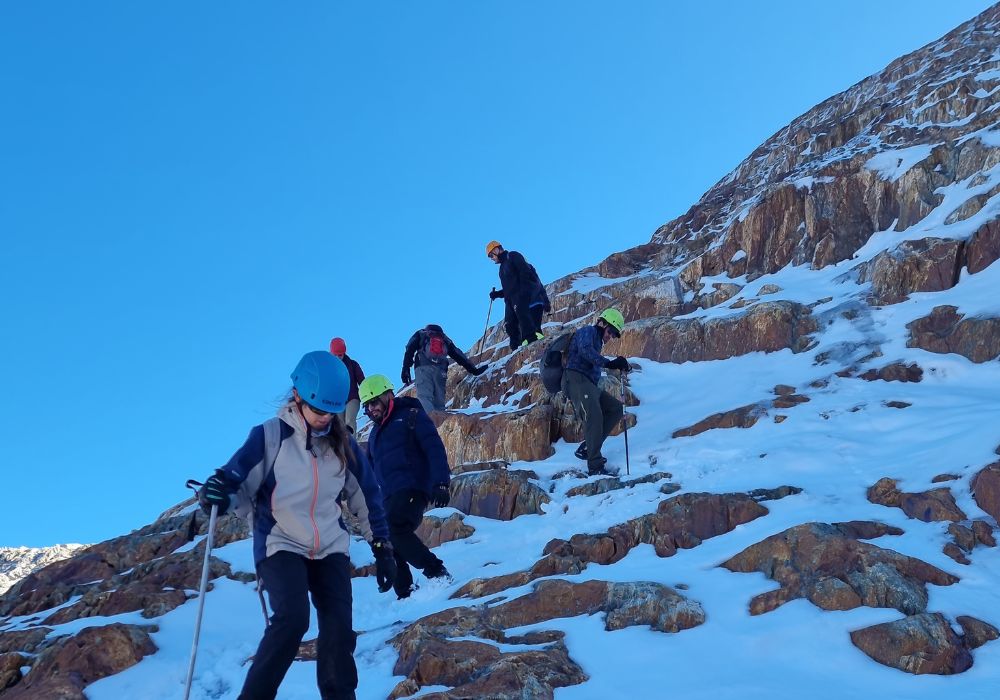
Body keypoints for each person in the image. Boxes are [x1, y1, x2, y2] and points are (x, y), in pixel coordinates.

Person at [197, 351, 397, 700]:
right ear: (297, 397)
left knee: (338, 630)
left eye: (331, 412)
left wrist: (382, 546)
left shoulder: (344, 444)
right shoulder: (270, 437)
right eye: (318, 410)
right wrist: (218, 494)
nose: (324, 419)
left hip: (330, 545)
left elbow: (366, 496)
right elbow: (238, 484)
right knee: (292, 619)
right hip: (281, 542)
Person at [359, 374, 452, 599]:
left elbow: (434, 448)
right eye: (367, 406)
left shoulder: (411, 415)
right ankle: (405, 593)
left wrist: (441, 482)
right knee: (387, 536)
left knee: (394, 527)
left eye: (374, 402)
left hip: (413, 486)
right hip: (389, 496)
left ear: (388, 395)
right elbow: (371, 474)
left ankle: (437, 571)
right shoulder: (374, 436)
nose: (371, 410)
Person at [563, 308, 631, 476]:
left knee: (615, 408)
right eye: (610, 331)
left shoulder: (598, 340)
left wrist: (618, 365)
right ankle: (595, 466)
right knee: (594, 416)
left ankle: (588, 446)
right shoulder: (588, 331)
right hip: (576, 378)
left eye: (614, 334)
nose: (611, 336)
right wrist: (609, 363)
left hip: (589, 384)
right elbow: (585, 351)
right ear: (602, 323)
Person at [401, 323, 487, 413]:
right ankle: (440, 421)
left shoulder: (421, 334)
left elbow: (410, 348)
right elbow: (458, 354)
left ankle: (430, 423)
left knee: (425, 397)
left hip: (423, 368)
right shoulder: (445, 339)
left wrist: (405, 368)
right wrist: (473, 370)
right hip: (440, 371)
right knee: (439, 402)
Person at [486, 241, 551, 349]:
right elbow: (509, 289)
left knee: (531, 328)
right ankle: (518, 351)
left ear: (497, 249)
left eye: (491, 255)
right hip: (513, 302)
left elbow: (525, 273)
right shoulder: (502, 269)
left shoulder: (513, 256)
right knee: (510, 325)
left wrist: (524, 294)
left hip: (529, 300)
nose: (491, 258)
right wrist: (497, 294)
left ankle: (538, 348)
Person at [329, 337, 365, 435]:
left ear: (344, 353)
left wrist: (367, 396)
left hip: (352, 398)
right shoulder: (329, 369)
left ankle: (352, 446)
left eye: (340, 355)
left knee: (349, 420)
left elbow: (362, 382)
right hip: (337, 401)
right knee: (339, 424)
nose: (338, 358)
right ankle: (342, 447)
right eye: (335, 355)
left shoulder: (353, 365)